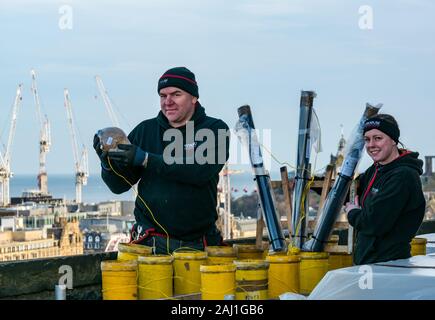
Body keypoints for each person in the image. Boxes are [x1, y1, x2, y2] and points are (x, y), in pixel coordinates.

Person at [93, 67, 230, 254]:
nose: (168, 102)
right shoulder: (145, 130)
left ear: (194, 97)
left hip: (198, 244)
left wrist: (147, 159)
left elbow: (199, 172)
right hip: (149, 243)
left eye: (176, 94)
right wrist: (107, 165)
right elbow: (119, 186)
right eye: (163, 96)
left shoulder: (215, 129)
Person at [344, 114, 426, 265]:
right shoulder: (376, 170)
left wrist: (352, 212)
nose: (371, 145)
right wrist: (313, 184)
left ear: (394, 140)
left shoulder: (402, 176)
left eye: (378, 138)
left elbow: (373, 224)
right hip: (370, 264)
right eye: (367, 139)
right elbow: (349, 192)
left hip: (389, 266)